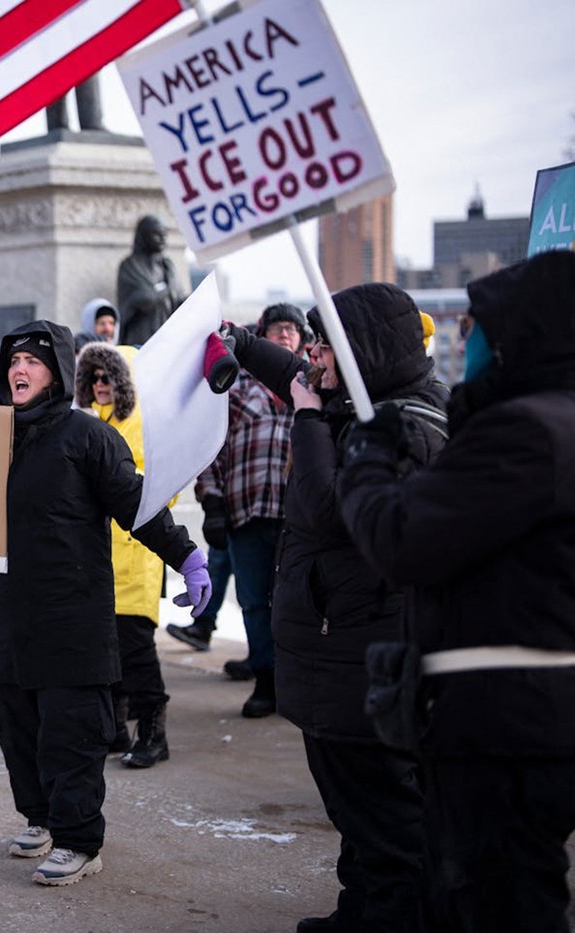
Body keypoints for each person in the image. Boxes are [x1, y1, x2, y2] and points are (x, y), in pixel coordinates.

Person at [0, 320, 208, 887]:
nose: (20, 370)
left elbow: (139, 503)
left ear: (56, 369)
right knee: (13, 725)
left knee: (70, 730)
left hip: (71, 614)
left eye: (33, 361)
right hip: (4, 613)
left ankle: (80, 838)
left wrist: (187, 556)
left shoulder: (87, 436)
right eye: (13, 362)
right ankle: (41, 817)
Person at [338, 251, 575, 932]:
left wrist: (367, 461)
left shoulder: (526, 430)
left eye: (477, 328)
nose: (464, 344)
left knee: (498, 905)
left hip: (507, 726)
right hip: (529, 713)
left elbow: (402, 539)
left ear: (520, 335)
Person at [224, 285, 447, 932]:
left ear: (361, 353)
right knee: (352, 806)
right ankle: (361, 908)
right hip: (337, 646)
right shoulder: (359, 393)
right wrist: (239, 342)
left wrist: (309, 418)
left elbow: (324, 509)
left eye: (324, 346)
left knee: (382, 814)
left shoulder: (410, 425)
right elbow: (296, 373)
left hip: (363, 648)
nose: (312, 358)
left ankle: (392, 917)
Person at [178, 304, 309, 713]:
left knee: (297, 603)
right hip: (245, 513)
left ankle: (296, 681)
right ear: (262, 336)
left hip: (299, 520)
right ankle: (266, 682)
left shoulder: (312, 387)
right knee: (254, 601)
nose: (285, 336)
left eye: (292, 329)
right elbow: (209, 449)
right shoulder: (236, 386)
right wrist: (212, 504)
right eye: (277, 329)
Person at [74, 342, 172, 768]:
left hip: (134, 558)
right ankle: (113, 728)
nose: (99, 385)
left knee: (135, 651)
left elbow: (164, 489)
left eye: (107, 376)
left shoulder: (146, 426)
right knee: (102, 646)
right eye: (93, 377)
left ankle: (153, 732)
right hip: (98, 559)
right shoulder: (90, 423)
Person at [115, 216, 185, 347]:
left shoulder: (167, 266)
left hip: (167, 337)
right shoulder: (130, 266)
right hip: (140, 336)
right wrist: (167, 289)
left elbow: (178, 299)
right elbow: (143, 299)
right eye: (156, 234)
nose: (162, 239)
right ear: (144, 236)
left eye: (164, 234)